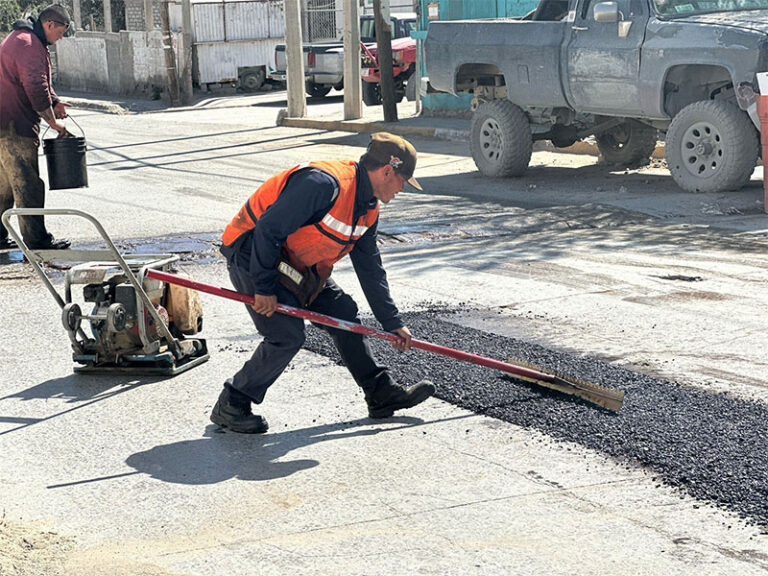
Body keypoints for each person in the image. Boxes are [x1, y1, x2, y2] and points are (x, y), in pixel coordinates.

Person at [212, 132, 436, 433]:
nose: (401, 190)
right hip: (252, 253)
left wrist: (391, 321)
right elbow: (267, 230)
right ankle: (233, 401)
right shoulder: (323, 184)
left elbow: (370, 267)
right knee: (286, 335)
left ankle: (380, 393)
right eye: (402, 181)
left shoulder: (368, 207)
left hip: (293, 262)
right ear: (387, 171)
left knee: (342, 313)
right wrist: (263, 288)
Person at [0, 4, 72, 250]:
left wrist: (55, 101)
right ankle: (37, 241)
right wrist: (52, 121)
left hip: (4, 122)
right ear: (49, 24)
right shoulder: (29, 44)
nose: (59, 38)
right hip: (13, 124)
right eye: (60, 32)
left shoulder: (23, 39)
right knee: (27, 183)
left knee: (5, 185)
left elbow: (34, 81)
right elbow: (34, 85)